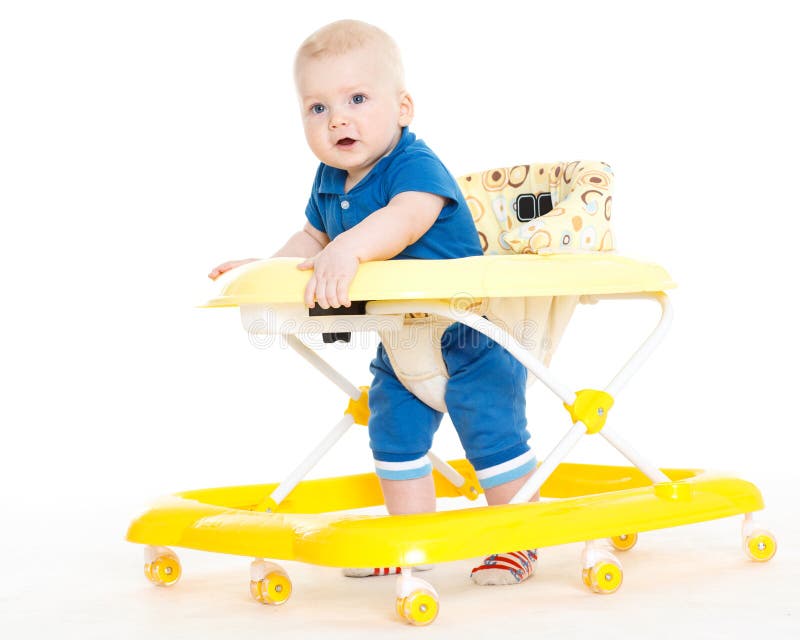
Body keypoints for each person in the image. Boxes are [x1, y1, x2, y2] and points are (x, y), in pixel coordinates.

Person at [209, 19, 537, 585]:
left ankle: (520, 538)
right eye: (317, 107)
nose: (337, 118)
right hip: (401, 336)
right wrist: (267, 269)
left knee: (489, 425)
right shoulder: (328, 179)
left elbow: (405, 220)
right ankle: (411, 540)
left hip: (470, 331)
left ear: (403, 107)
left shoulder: (414, 165)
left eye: (357, 98)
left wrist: (350, 249)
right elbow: (312, 240)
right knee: (392, 430)